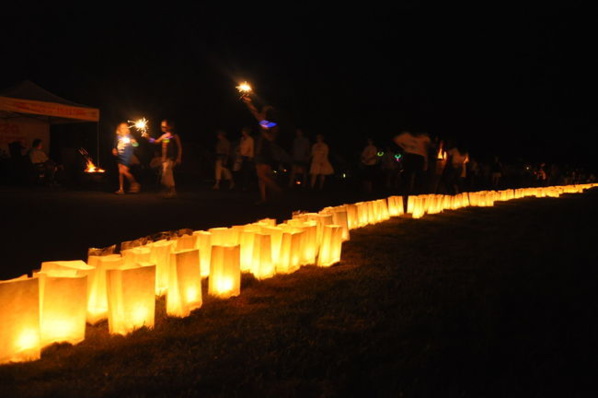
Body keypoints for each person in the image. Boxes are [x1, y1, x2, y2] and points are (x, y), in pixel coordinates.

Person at [143, 119, 182, 198]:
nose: (162, 127)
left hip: (171, 158)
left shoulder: (174, 136)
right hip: (164, 159)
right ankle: (170, 191)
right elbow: (156, 142)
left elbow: (179, 147)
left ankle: (171, 190)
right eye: (162, 126)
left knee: (167, 173)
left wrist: (179, 158)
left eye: (164, 126)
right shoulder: (164, 136)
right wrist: (147, 137)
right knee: (166, 174)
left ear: (170, 126)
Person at [393, 130, 431, 195]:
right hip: (410, 155)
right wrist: (404, 147)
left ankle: (415, 192)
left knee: (418, 176)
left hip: (419, 156)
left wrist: (426, 161)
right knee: (407, 174)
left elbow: (425, 149)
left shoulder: (424, 138)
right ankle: (405, 191)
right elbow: (396, 139)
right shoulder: (407, 135)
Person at [111, 123, 141, 194]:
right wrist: (114, 150)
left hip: (127, 156)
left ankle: (134, 183)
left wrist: (134, 142)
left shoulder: (130, 136)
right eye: (122, 128)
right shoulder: (117, 137)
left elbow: (136, 145)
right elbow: (115, 146)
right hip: (120, 156)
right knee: (120, 173)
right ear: (119, 129)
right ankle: (121, 189)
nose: (124, 129)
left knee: (123, 171)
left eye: (125, 127)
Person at [232, 126, 254, 191]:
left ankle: (245, 186)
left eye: (243, 131)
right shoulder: (242, 139)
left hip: (246, 157)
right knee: (239, 171)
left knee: (246, 172)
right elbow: (241, 146)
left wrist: (251, 157)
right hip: (241, 156)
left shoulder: (250, 139)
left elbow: (251, 148)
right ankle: (240, 185)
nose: (242, 132)